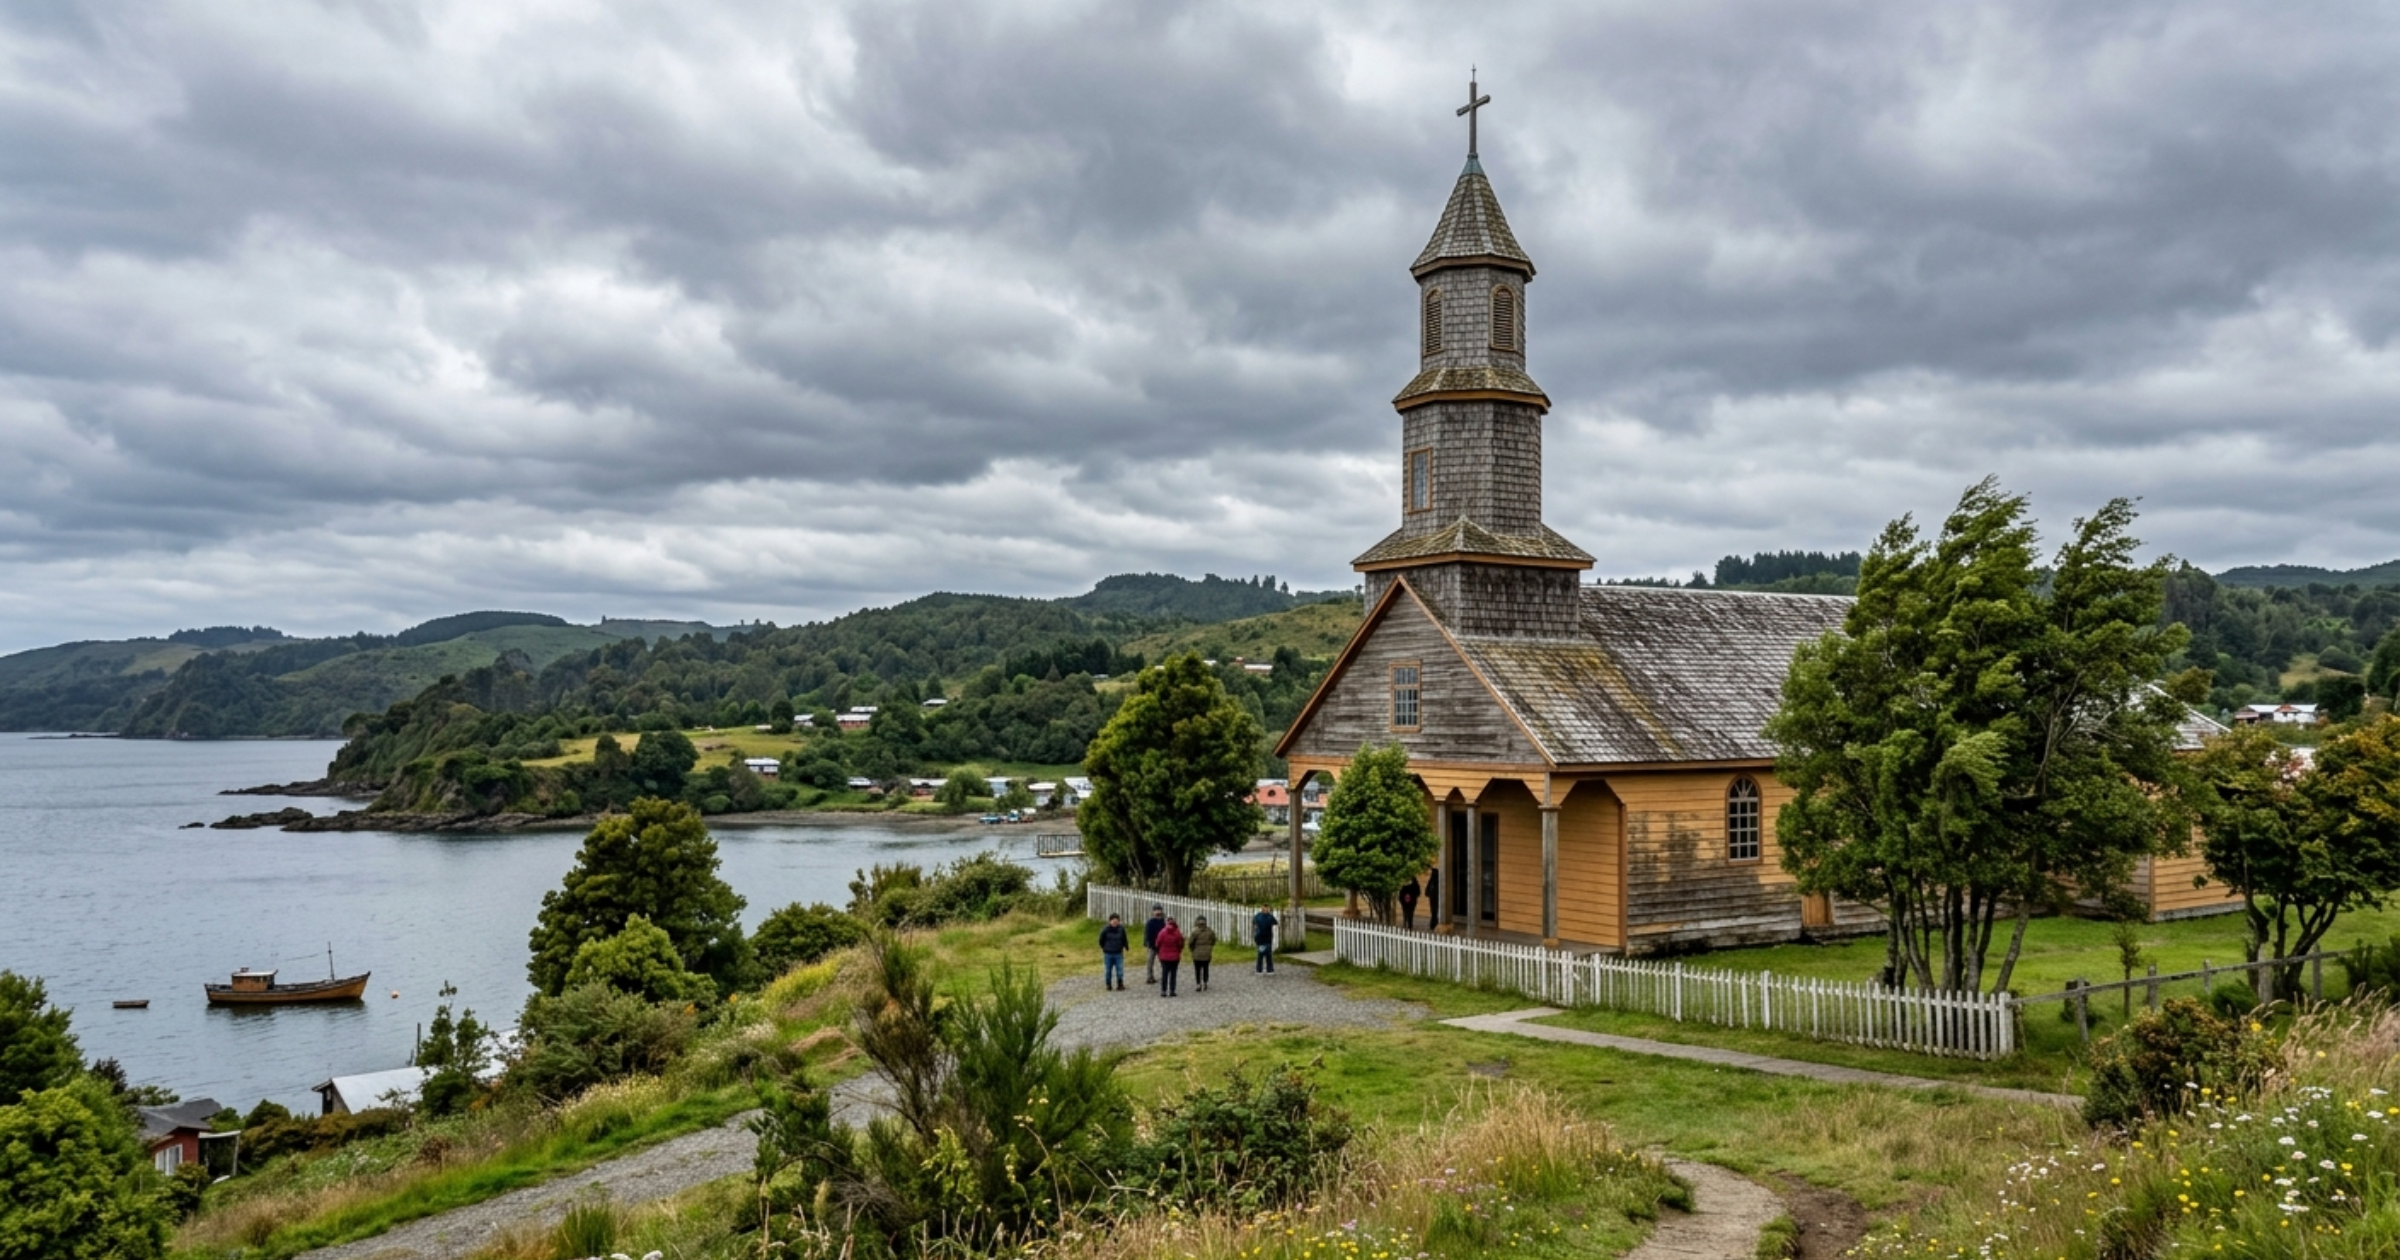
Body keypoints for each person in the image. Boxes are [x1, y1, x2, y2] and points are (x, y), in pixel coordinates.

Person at [1155, 916, 1185, 997]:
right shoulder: (1177, 933)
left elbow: (1158, 943)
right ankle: (1172, 990)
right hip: (1175, 957)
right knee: (1173, 974)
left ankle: (1163, 990)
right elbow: (1181, 944)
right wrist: (1179, 951)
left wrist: (1160, 952)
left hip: (1164, 957)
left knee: (1164, 974)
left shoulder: (1162, 932)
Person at [1097, 913, 1128, 991]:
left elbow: (1124, 938)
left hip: (1118, 953)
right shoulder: (1105, 930)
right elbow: (1101, 940)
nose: (1115, 922)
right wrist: (1104, 948)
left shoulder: (1121, 929)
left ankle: (1120, 983)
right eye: (1113, 921)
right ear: (1110, 921)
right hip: (1108, 953)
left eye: (1116, 921)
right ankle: (1108, 984)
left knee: (1120, 969)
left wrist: (1126, 946)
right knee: (1108, 970)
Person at [1189, 913, 1217, 992]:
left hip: (1197, 954)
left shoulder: (1195, 932)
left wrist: (1192, 949)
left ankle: (1198, 983)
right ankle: (1205, 982)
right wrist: (1210, 947)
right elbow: (1214, 940)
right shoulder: (1210, 932)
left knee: (1197, 969)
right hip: (1207, 954)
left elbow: (1190, 942)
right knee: (1205, 968)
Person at [1143, 904, 1166, 985]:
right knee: (1150, 961)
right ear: (1153, 912)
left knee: (1163, 961)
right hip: (1152, 945)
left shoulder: (1164, 922)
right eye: (1156, 910)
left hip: (1161, 945)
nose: (1158, 911)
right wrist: (1147, 943)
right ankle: (1150, 977)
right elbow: (1147, 934)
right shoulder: (1150, 922)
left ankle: (1165, 975)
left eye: (1159, 910)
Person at [1252, 904, 1279, 974]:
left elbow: (1254, 922)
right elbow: (1275, 923)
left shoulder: (1258, 916)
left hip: (1260, 938)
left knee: (1260, 955)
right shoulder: (1270, 917)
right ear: (1267, 909)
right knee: (1268, 956)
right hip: (1267, 938)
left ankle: (1259, 970)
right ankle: (1269, 970)